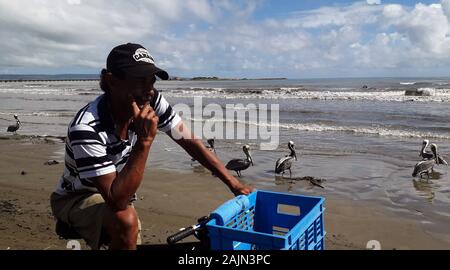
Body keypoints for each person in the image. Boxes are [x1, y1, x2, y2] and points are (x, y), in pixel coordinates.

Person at [50, 43, 253, 250]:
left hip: (117, 186)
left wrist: (233, 184)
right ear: (111, 81)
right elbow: (116, 201)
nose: (149, 90)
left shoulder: (150, 99)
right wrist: (145, 141)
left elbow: (189, 141)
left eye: (152, 81)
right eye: (140, 81)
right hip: (76, 197)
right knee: (127, 222)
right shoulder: (86, 128)